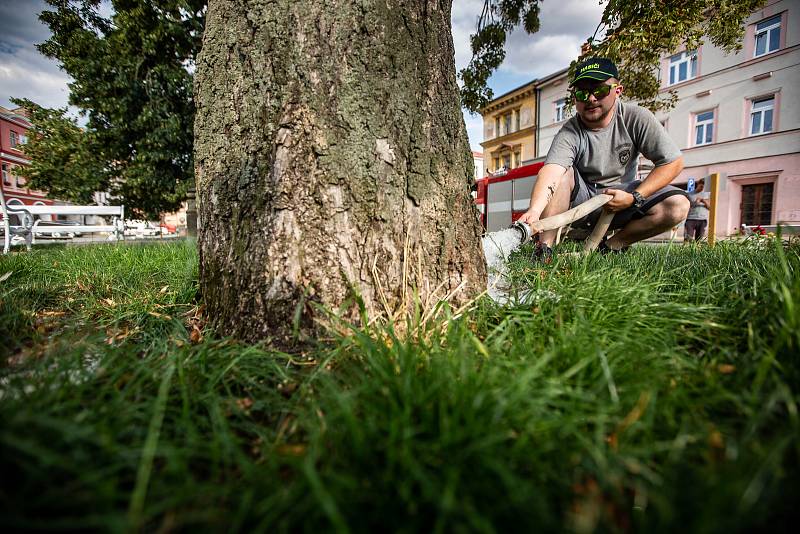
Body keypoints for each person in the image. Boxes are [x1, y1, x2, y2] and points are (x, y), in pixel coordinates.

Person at [517, 57, 689, 256]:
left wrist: (635, 197)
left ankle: (611, 247)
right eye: (582, 93)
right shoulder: (570, 132)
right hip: (583, 204)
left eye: (599, 90)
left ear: (617, 90)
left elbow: (673, 162)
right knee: (564, 172)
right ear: (575, 99)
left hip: (624, 200)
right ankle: (544, 250)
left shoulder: (636, 118)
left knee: (678, 205)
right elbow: (551, 172)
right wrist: (535, 212)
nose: (590, 99)